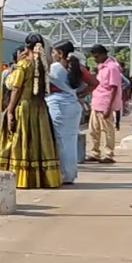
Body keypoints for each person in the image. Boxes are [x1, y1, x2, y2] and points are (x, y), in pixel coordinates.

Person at [0, 33, 62, 189]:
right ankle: (44, 178)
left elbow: (15, 87)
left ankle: (22, 178)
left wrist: (10, 111)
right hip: (40, 108)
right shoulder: (43, 65)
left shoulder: (24, 65)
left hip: (24, 106)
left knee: (20, 140)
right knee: (39, 142)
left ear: (26, 46)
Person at [46, 41, 93, 185]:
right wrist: (79, 95)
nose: (52, 55)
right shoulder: (78, 67)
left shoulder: (54, 68)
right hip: (73, 105)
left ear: (60, 53)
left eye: (54, 52)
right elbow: (94, 82)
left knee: (59, 140)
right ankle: (70, 174)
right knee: (70, 141)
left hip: (57, 106)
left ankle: (62, 174)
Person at [86, 45, 122, 164]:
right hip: (97, 102)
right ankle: (95, 152)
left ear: (102, 54)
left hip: (105, 103)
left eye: (96, 56)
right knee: (93, 129)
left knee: (107, 130)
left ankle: (108, 154)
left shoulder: (112, 68)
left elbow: (113, 88)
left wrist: (108, 107)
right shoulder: (101, 67)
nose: (95, 59)